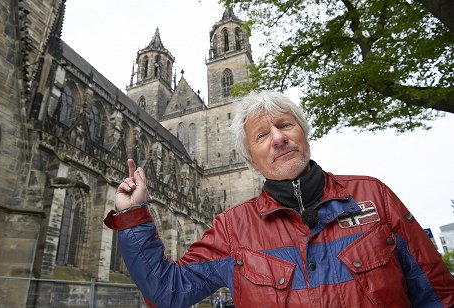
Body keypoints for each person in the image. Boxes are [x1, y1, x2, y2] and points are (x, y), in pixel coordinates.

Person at [104, 90, 454, 307]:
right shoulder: (232, 228)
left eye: (285, 126)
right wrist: (133, 214)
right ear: (249, 159)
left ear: (304, 133)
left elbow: (437, 294)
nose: (277, 138)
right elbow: (167, 292)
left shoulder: (372, 196)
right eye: (261, 135)